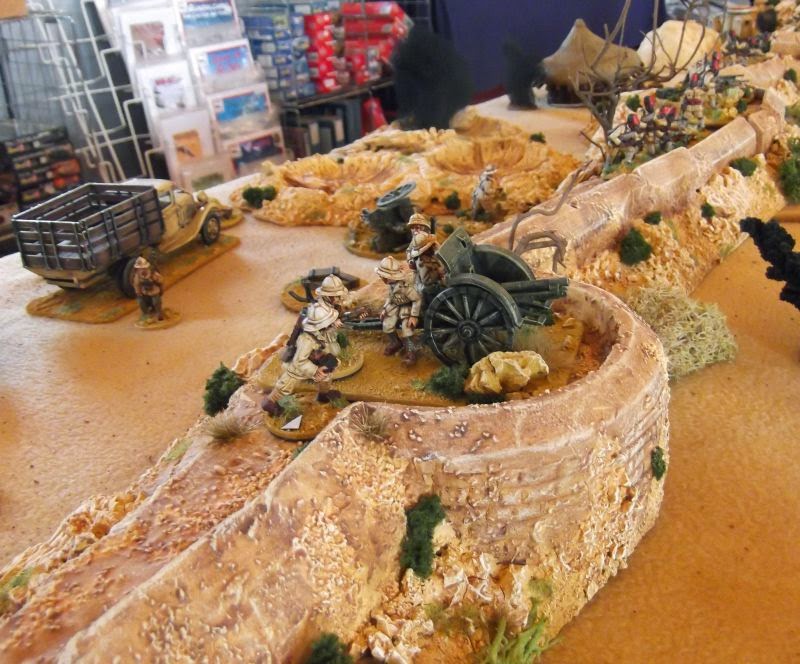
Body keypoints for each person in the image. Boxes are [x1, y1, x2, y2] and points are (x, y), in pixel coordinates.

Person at [262, 302, 342, 416]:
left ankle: (323, 395)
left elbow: (329, 337)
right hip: (298, 366)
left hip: (314, 360)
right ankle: (270, 403)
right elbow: (299, 361)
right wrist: (315, 370)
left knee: (326, 376)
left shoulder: (320, 333)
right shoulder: (307, 340)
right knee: (285, 386)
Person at [376, 256, 422, 366]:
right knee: (387, 324)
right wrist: (385, 308)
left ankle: (411, 351)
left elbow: (417, 300)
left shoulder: (405, 287)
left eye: (383, 276)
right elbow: (390, 297)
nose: (382, 278)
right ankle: (395, 342)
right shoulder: (391, 285)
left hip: (407, 308)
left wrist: (413, 316)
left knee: (407, 328)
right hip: (395, 306)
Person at [405, 213, 445, 295]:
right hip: (417, 267)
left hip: (428, 267)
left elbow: (439, 251)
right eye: (413, 228)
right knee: (417, 284)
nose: (415, 230)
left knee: (427, 285)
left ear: (423, 227)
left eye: (417, 227)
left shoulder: (428, 238)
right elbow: (409, 250)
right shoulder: (415, 240)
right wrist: (410, 260)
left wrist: (432, 244)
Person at [132, 256, 164, 321]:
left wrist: (156, 279)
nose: (142, 270)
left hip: (154, 291)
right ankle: (146, 314)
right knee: (141, 302)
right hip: (144, 292)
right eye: (139, 269)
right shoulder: (137, 276)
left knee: (156, 302)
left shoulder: (152, 273)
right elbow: (136, 284)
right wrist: (138, 292)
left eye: (143, 268)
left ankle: (159, 313)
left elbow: (161, 280)